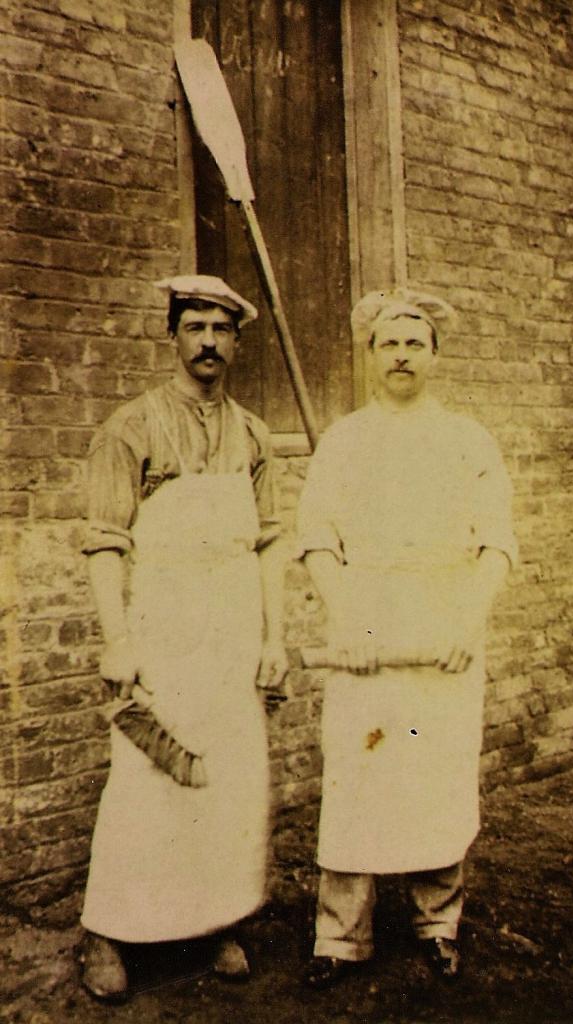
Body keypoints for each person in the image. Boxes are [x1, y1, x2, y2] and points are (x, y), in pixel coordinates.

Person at [296, 286, 517, 988]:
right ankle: (340, 935)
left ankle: (437, 922)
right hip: (365, 625)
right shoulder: (343, 441)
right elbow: (317, 542)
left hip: (442, 626)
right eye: (388, 343)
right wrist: (349, 621)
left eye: (414, 343)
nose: (400, 355)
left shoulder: (468, 440)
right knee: (356, 773)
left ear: (435, 356)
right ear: (369, 356)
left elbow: (496, 544)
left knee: (436, 775)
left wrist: (466, 622)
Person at [79, 274, 288, 1001]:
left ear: (236, 343)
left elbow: (269, 542)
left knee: (226, 780)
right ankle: (107, 930)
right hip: (162, 625)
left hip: (232, 628)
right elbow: (105, 542)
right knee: (148, 778)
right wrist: (117, 639)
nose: (207, 342)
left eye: (220, 330)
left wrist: (274, 637)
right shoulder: (131, 427)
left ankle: (213, 918)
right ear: (172, 337)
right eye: (194, 327)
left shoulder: (254, 434)